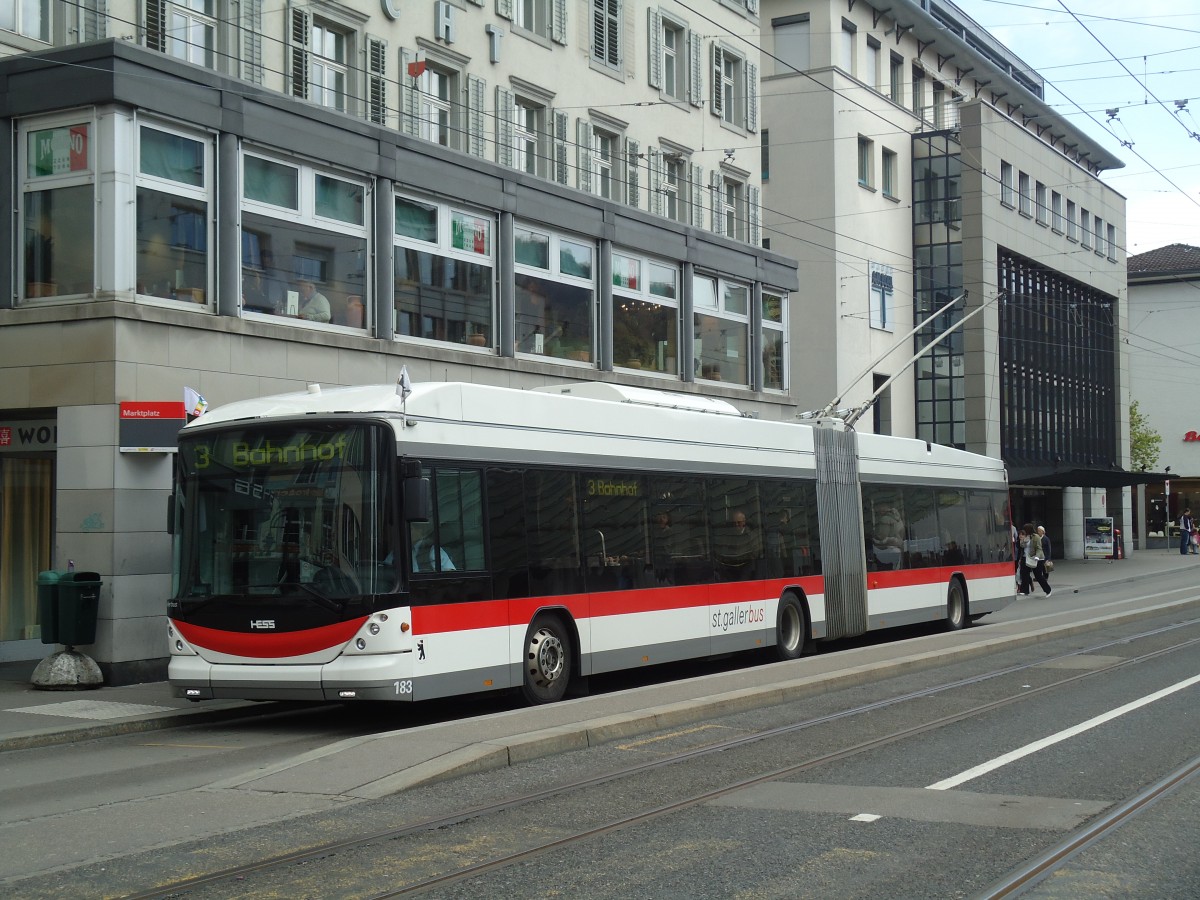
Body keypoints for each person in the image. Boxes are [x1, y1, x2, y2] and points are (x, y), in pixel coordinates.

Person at [716, 509, 762, 580]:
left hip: (746, 570)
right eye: (734, 523)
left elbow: (755, 554)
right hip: (730, 569)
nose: (736, 525)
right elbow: (723, 551)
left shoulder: (752, 536)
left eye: (739, 522)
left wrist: (740, 557)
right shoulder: (728, 536)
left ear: (744, 522)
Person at [1018, 523, 1051, 597]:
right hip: (1026, 557)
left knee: (1038, 575)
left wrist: (1037, 557)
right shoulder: (1026, 536)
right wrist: (1023, 540)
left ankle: (1048, 590)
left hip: (1036, 558)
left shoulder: (1036, 537)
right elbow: (1022, 546)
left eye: (1025, 529)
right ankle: (1024, 590)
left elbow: (1039, 548)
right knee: (1024, 574)